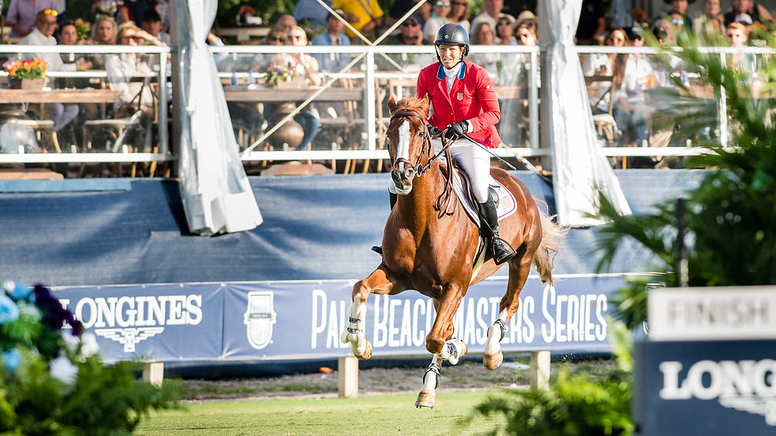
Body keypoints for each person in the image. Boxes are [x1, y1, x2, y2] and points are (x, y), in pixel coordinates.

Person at [415, 23, 515, 264]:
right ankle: (397, 239)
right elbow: (421, 110)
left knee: (480, 188)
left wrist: (467, 125)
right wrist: (426, 124)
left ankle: (495, 240)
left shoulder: (477, 74)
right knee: (401, 182)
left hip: (472, 141)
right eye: (442, 48)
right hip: (441, 141)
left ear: (463, 50)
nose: (446, 54)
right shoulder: (427, 74)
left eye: (452, 49)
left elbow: (494, 114)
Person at [20, 9, 87, 135]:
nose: (50, 26)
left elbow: (59, 68)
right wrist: (77, 66)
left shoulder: (52, 41)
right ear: (37, 22)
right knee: (58, 108)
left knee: (73, 109)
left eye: (53, 23)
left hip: (52, 90)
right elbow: (45, 68)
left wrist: (77, 67)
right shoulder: (31, 40)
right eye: (46, 22)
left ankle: (50, 135)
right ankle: (48, 139)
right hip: (36, 90)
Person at [312, 9, 351, 74]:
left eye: (341, 19)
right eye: (334, 19)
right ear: (327, 21)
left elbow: (347, 63)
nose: (338, 22)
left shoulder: (345, 40)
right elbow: (318, 65)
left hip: (342, 78)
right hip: (325, 77)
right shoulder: (319, 40)